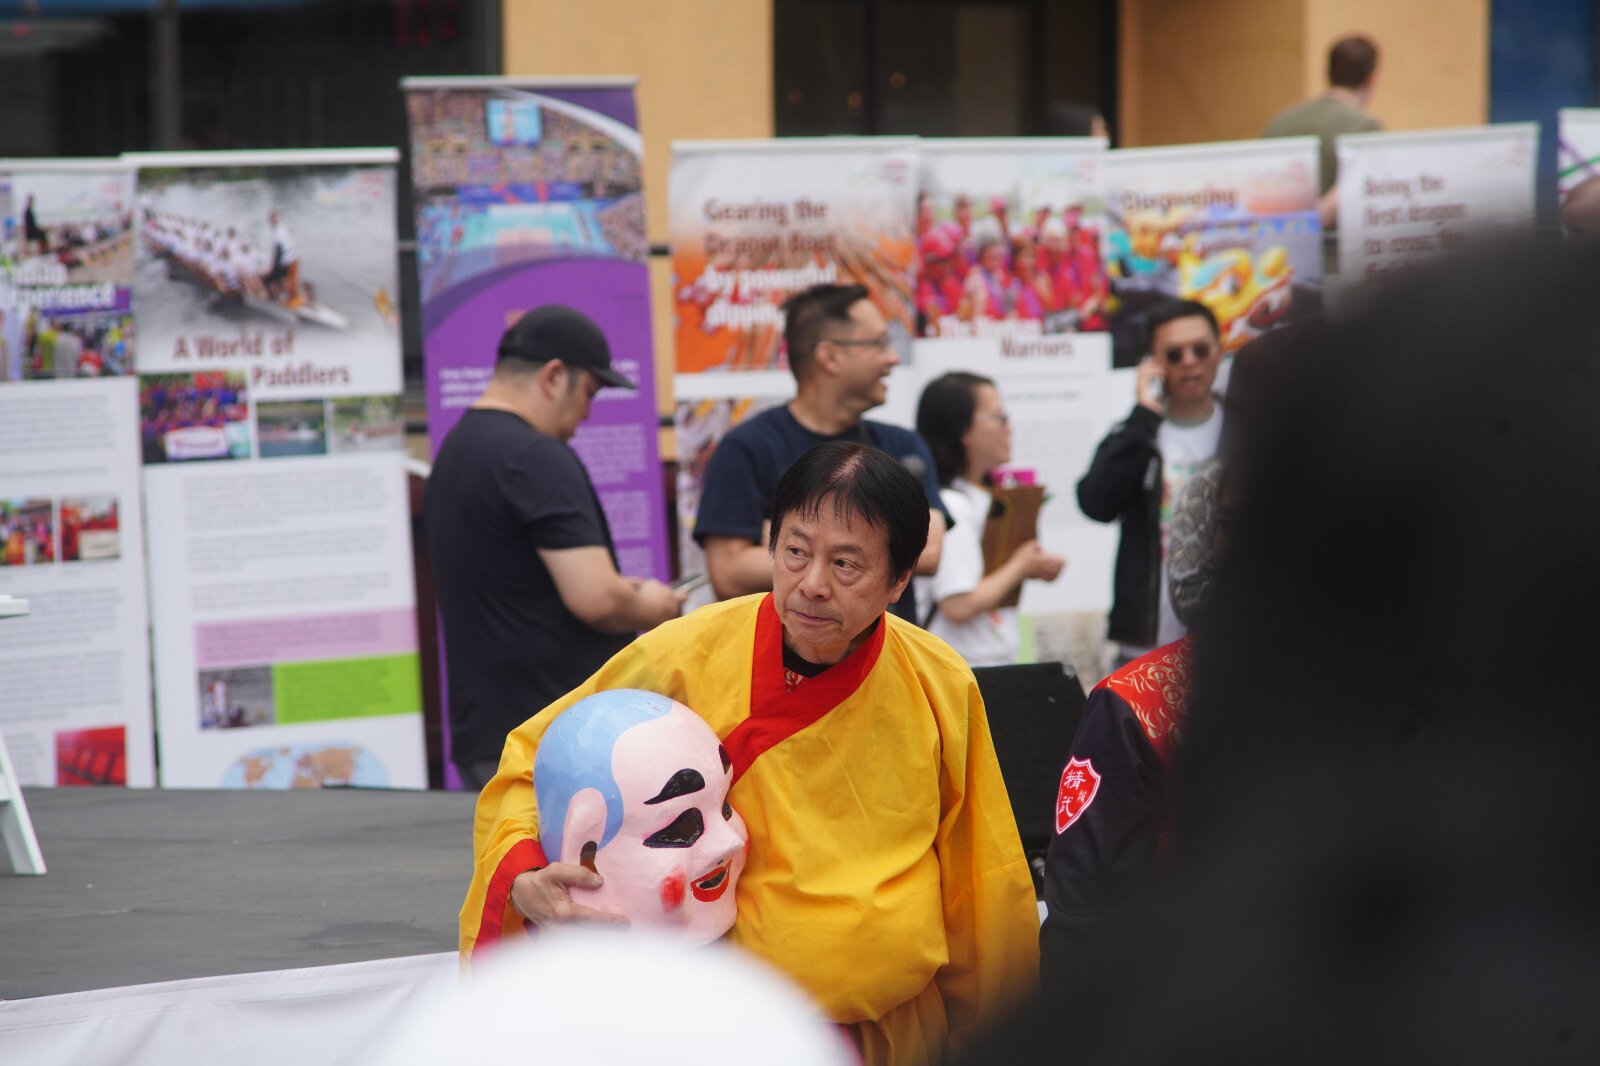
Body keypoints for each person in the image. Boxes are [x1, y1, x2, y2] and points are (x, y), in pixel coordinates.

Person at [463, 442, 1040, 1066]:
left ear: (900, 579)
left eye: (846, 564)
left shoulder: (939, 682)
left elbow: (980, 878)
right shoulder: (685, 654)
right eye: (795, 551)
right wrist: (523, 871)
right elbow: (534, 758)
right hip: (726, 1036)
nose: (812, 585)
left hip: (895, 1036)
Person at [422, 305, 685, 789]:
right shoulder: (535, 456)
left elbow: (514, 578)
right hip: (556, 737)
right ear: (554, 375)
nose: (586, 412)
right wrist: (650, 604)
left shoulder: (456, 451)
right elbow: (597, 599)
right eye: (590, 391)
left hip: (492, 731)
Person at [694, 283, 947, 624]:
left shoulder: (903, 447)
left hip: (883, 664)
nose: (893, 358)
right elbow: (727, 572)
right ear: (829, 357)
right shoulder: (748, 448)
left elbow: (929, 553)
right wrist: (862, 550)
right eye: (879, 344)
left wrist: (785, 542)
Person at [1077, 299, 1224, 668]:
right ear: (1155, 363)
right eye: (1174, 354)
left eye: (1200, 349)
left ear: (1219, 353)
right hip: (1148, 642)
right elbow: (1096, 502)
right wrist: (1143, 414)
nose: (1189, 361)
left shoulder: (1245, 431)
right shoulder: (1139, 433)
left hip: (1227, 639)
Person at [915, 372, 1064, 665]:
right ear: (962, 430)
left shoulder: (980, 496)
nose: (1009, 428)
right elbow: (958, 604)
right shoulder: (949, 505)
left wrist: (1032, 565)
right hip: (963, 671)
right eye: (999, 417)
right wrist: (1021, 565)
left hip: (984, 668)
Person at [1264, 34, 1383, 225]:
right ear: (1370, 80)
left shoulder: (1281, 120)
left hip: (1276, 247)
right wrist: (1305, 227)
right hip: (1332, 247)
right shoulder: (1365, 127)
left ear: (1328, 71)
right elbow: (1348, 194)